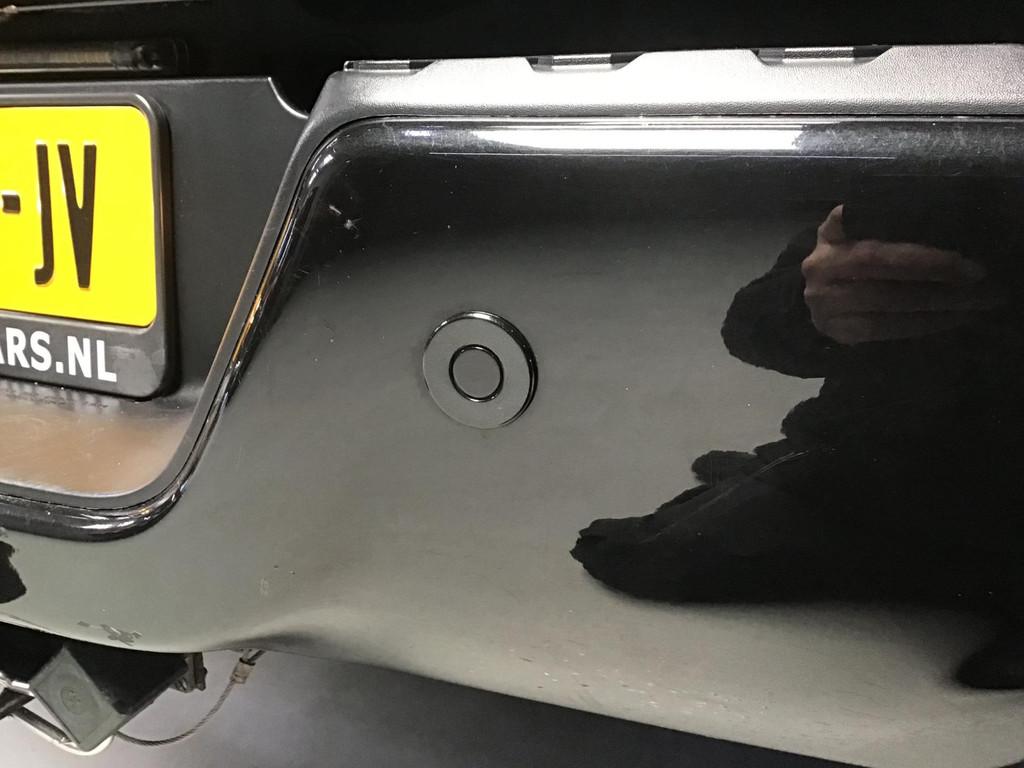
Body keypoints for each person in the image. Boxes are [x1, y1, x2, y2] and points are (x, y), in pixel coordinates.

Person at [572, 195, 1024, 689]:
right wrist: (816, 303)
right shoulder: (947, 179)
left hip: (974, 495)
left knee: (647, 552)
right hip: (879, 460)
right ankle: (790, 472)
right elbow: (748, 325)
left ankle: (795, 477)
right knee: (640, 556)